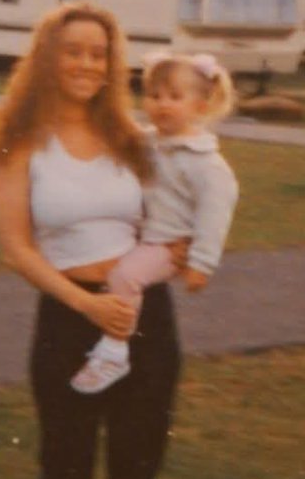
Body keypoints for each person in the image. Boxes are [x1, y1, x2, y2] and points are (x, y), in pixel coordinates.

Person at [0, 1, 182, 479]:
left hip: (143, 323)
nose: (87, 64)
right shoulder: (20, 142)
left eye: (99, 53)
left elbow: (173, 233)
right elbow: (15, 245)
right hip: (67, 323)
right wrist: (85, 303)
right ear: (48, 58)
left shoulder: (136, 139)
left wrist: (134, 286)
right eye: (74, 51)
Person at [70, 51, 239, 395]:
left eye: (175, 97)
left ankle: (114, 352)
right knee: (118, 277)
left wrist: (201, 264)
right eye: (154, 95)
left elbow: (215, 213)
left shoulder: (206, 163)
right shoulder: (150, 142)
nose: (162, 104)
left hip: (168, 244)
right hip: (145, 239)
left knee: (124, 276)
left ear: (200, 106)